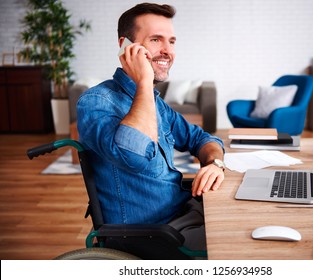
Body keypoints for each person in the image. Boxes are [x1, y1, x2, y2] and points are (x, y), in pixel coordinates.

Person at [76, 3, 225, 252]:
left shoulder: (157, 104)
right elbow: (134, 157)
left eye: (172, 41)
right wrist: (144, 81)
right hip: (154, 236)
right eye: (156, 40)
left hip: (186, 213)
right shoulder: (96, 102)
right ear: (125, 46)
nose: (168, 51)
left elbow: (201, 138)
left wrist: (214, 165)